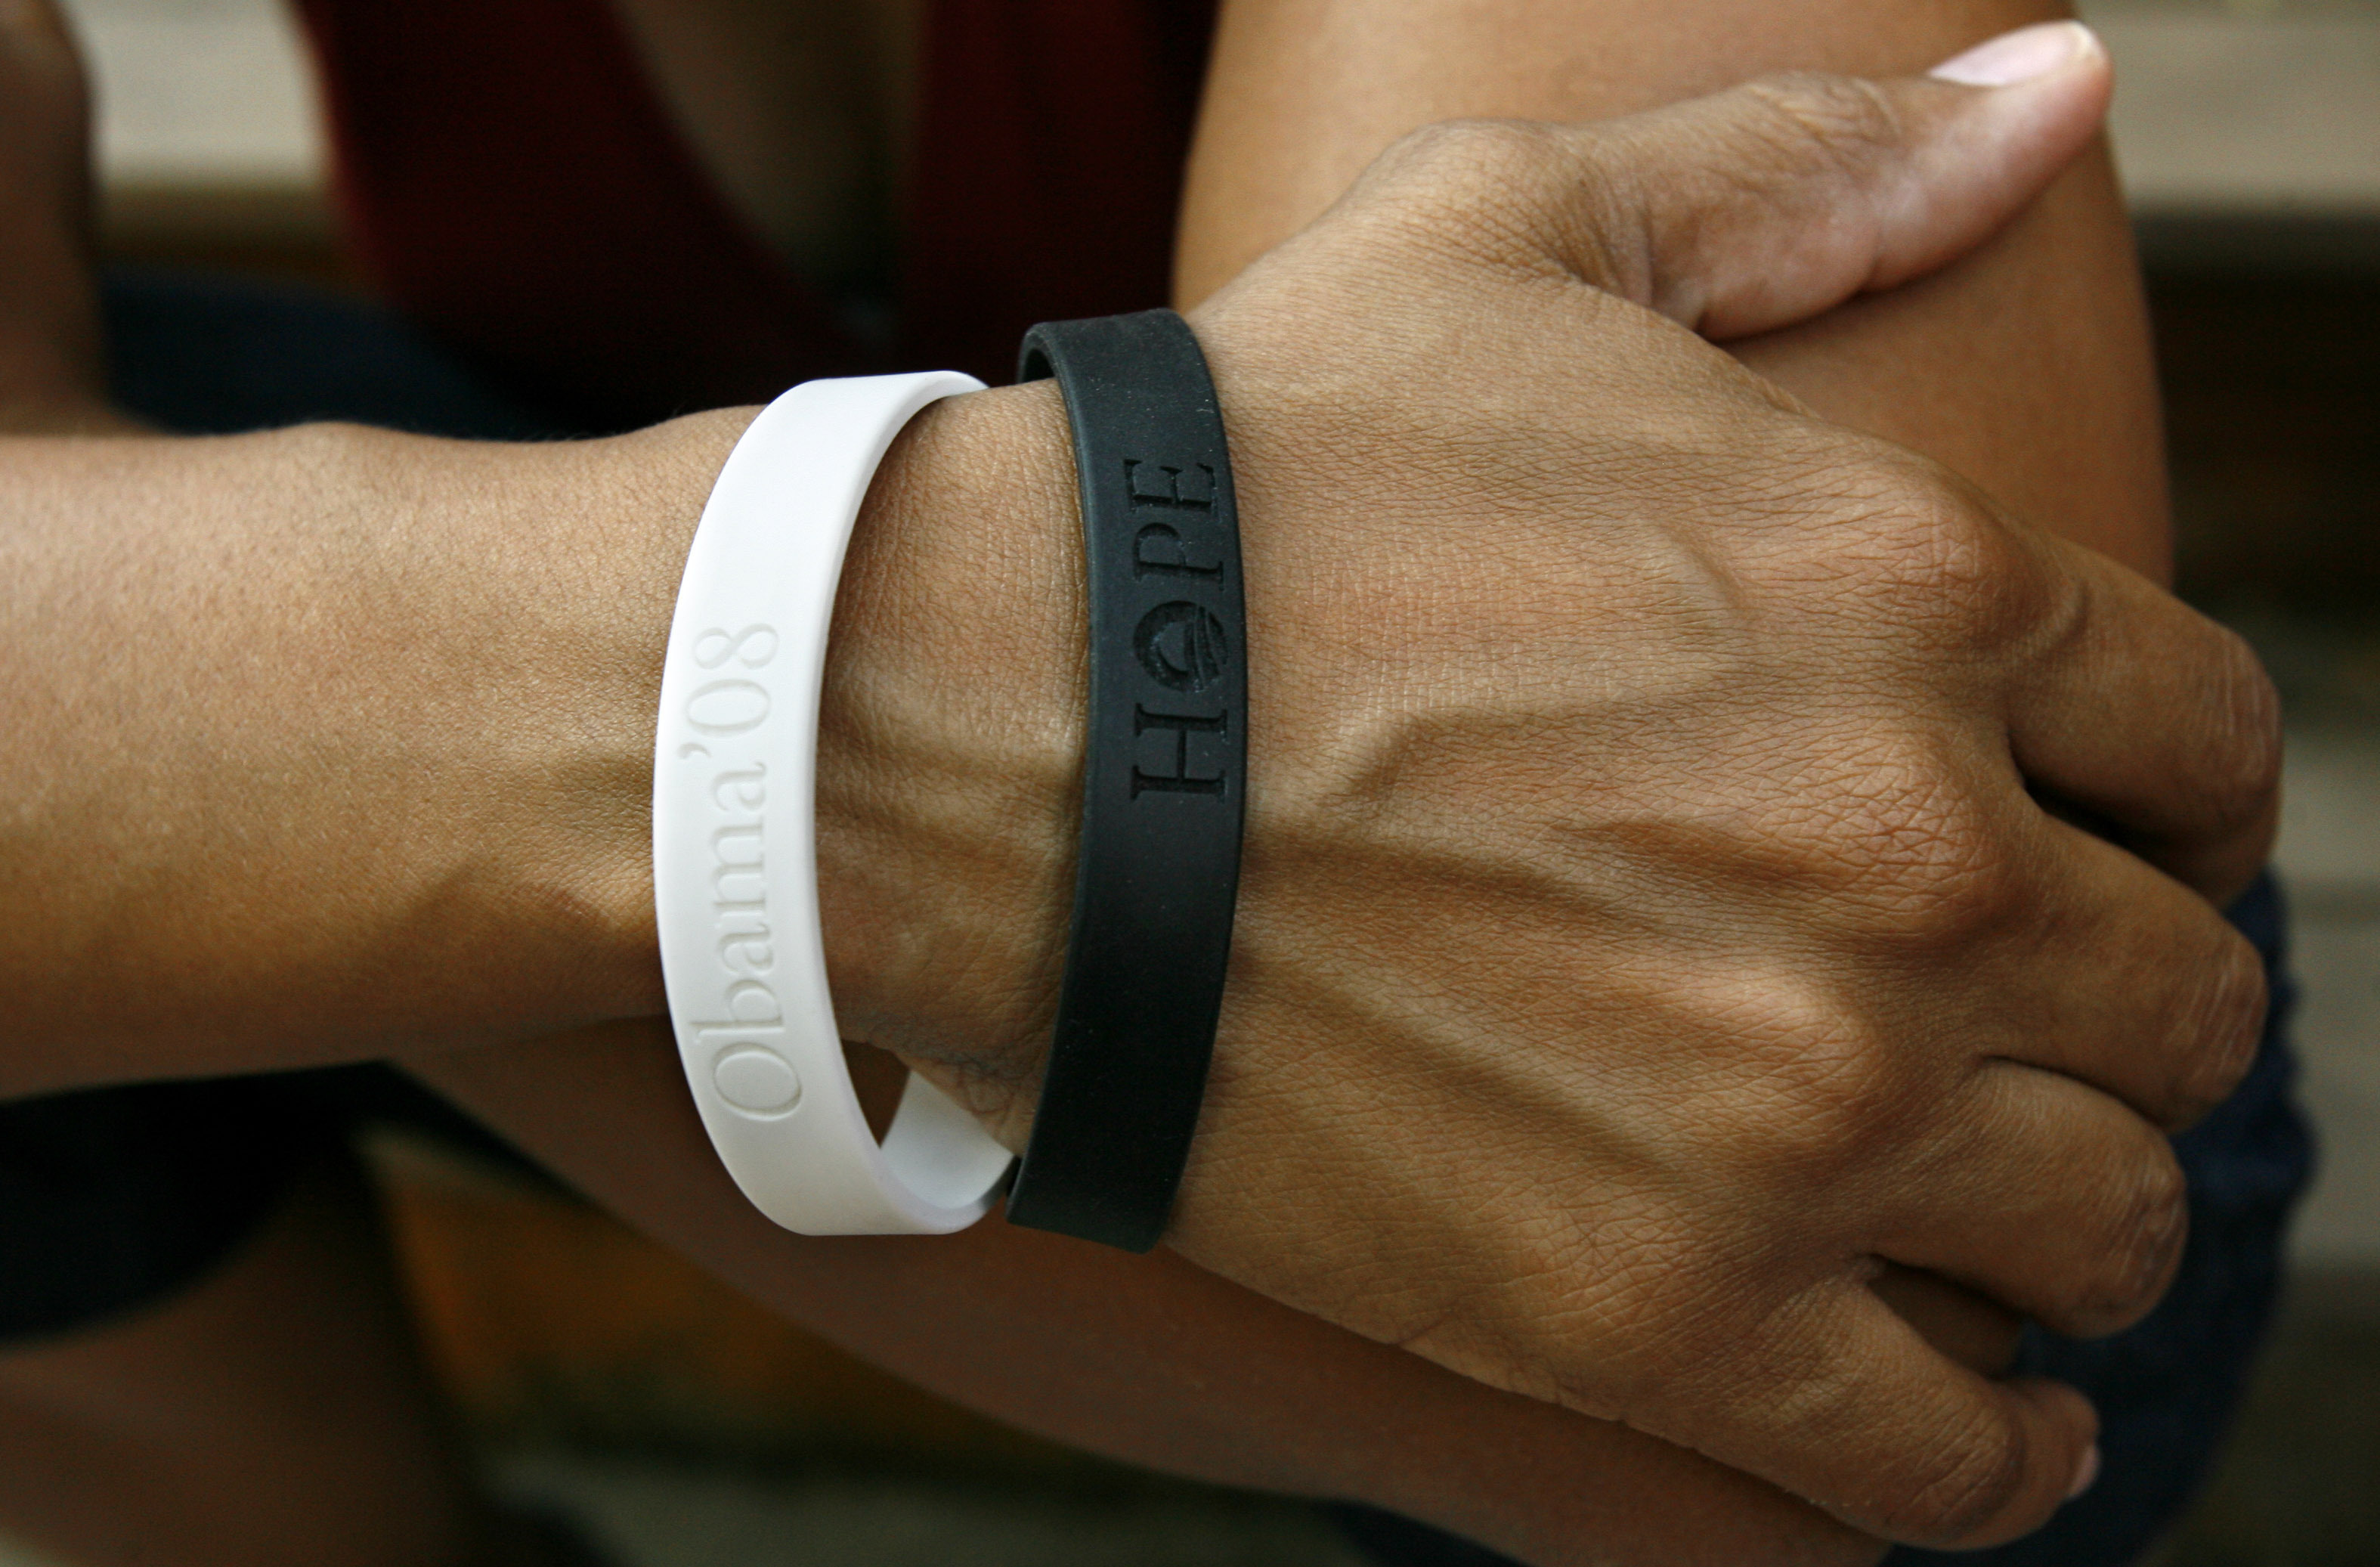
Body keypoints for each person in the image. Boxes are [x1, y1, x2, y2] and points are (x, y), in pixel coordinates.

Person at [0, 3, 2304, 1565]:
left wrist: (230, 808)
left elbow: (1684, 1282)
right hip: (1011, 1056)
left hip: (1916, 1127)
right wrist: (806, 764)